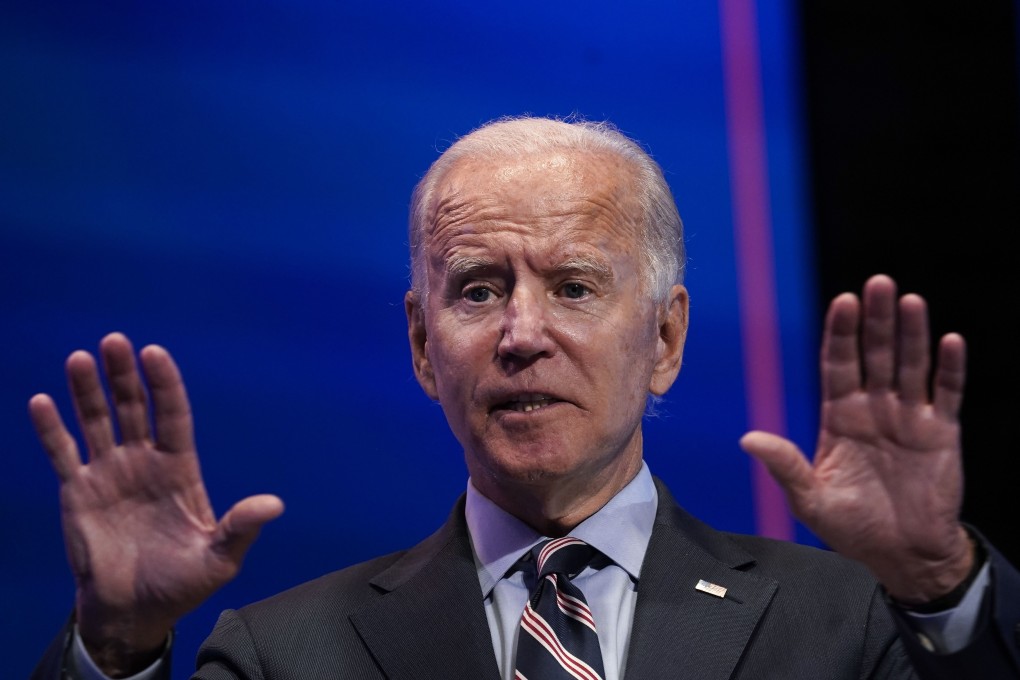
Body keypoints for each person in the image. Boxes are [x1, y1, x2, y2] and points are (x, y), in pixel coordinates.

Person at [30, 116, 1020, 679]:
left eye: (575, 286)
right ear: (423, 346)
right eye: (477, 288)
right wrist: (113, 648)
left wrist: (939, 578)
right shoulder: (281, 653)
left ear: (666, 338)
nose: (522, 332)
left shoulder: (848, 622)